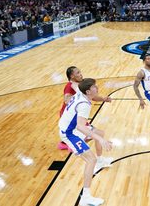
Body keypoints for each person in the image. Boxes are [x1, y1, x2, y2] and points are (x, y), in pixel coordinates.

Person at [59, 78, 113, 206]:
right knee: (90, 160)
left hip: (69, 126)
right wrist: (100, 140)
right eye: (94, 87)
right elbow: (80, 127)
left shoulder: (80, 91)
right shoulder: (84, 105)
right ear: (88, 91)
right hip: (69, 133)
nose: (97, 88)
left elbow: (73, 83)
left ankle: (100, 160)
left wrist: (104, 99)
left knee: (100, 133)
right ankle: (86, 197)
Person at [58, 66, 112, 151]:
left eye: (80, 72)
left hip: (76, 115)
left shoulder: (80, 85)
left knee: (90, 133)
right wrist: (77, 102)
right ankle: (71, 146)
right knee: (88, 133)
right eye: (78, 73)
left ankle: (67, 144)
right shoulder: (70, 86)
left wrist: (103, 99)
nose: (81, 74)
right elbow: (66, 99)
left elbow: (92, 97)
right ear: (72, 76)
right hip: (71, 115)